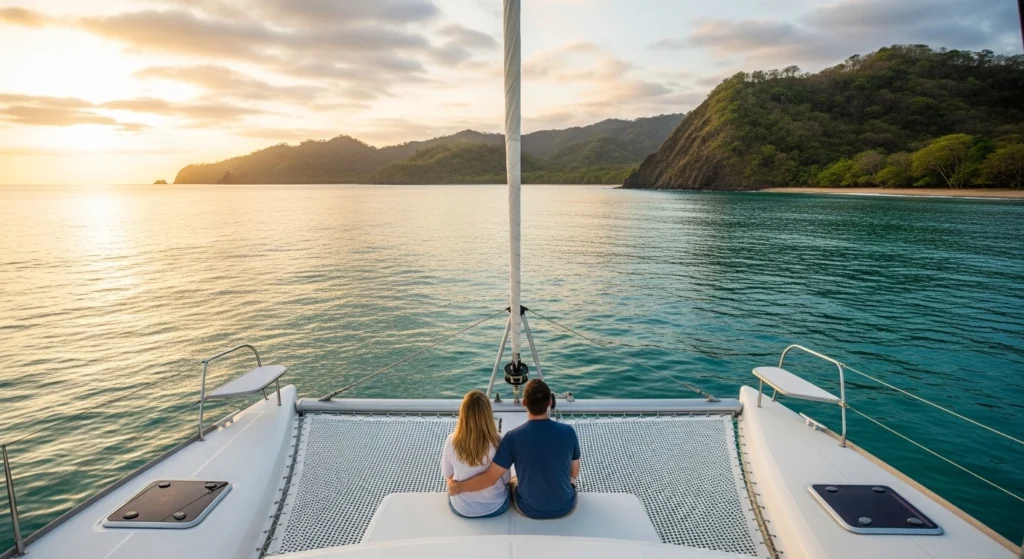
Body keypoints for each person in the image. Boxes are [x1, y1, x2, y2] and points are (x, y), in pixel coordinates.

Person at [448, 379, 580, 519]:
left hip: (528, 509)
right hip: (566, 507)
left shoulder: (512, 438)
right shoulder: (568, 432)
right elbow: (573, 472)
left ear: (524, 403)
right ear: (550, 402)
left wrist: (458, 487)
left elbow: (491, 478)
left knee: (513, 480)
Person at [441, 390, 511, 518]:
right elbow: (506, 479)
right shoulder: (498, 441)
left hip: (462, 508)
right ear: (488, 415)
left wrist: (457, 486)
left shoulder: (452, 441)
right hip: (496, 506)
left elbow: (448, 474)